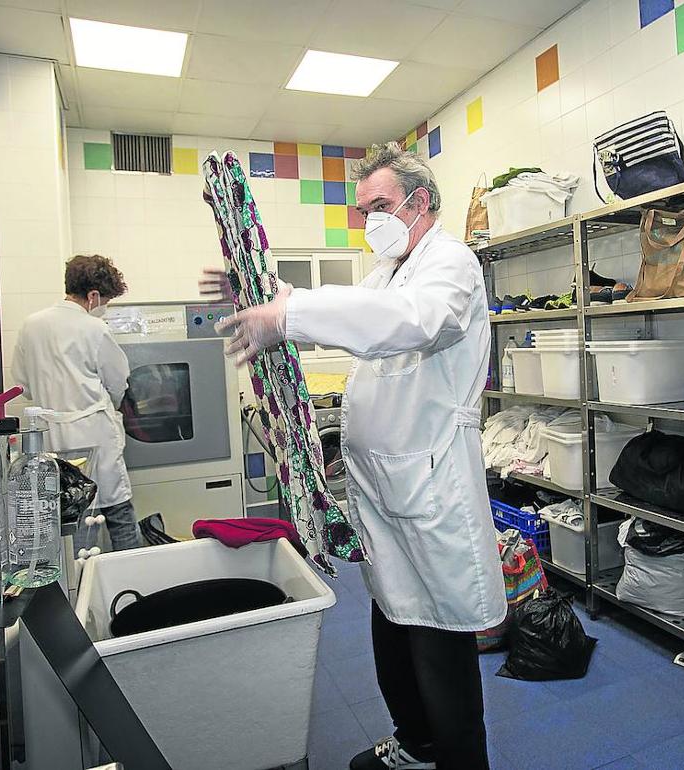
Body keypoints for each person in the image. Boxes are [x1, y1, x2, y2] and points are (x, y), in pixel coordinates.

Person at [204, 143, 505, 770]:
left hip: (429, 489)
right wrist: (260, 289)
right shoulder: (390, 271)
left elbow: (412, 322)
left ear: (422, 202)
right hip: (385, 489)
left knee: (437, 642)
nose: (371, 220)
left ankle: (457, 759)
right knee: (392, 628)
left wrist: (291, 311)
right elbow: (345, 309)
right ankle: (416, 743)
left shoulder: (450, 264)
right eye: (363, 209)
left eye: (382, 206)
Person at [13, 254, 141, 552]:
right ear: (93, 295)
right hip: (95, 433)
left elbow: (23, 386)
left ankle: (78, 590)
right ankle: (137, 580)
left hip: (49, 439)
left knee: (70, 519)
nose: (103, 308)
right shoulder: (94, 329)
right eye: (105, 301)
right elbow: (118, 382)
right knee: (118, 513)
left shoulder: (31, 325)